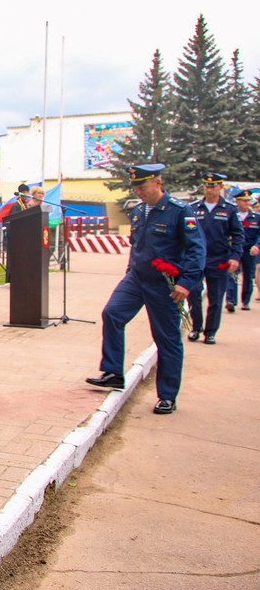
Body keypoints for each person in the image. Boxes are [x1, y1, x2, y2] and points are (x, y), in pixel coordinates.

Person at [87, 164, 205, 414]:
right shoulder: (139, 211)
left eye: (143, 186)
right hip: (136, 279)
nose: (139, 192)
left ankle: (167, 396)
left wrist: (186, 283)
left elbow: (196, 249)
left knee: (167, 339)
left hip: (165, 285)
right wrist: (130, 270)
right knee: (112, 313)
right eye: (136, 187)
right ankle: (113, 372)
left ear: (158, 182)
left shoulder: (180, 211)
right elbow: (137, 245)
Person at [187, 173, 242, 344]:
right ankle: (196, 327)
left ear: (220, 187)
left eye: (214, 186)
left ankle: (210, 332)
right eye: (207, 186)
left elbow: (238, 235)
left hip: (219, 260)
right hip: (196, 259)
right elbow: (185, 233)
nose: (210, 189)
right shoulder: (193, 208)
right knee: (193, 293)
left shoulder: (229, 209)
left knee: (216, 298)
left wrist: (235, 256)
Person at [226, 189, 258, 312]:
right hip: (234, 249)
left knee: (248, 276)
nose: (247, 203)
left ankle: (245, 301)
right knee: (232, 273)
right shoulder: (232, 214)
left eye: (248, 201)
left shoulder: (256, 217)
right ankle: (231, 301)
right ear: (237, 201)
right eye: (244, 201)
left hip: (249, 250)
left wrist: (257, 246)